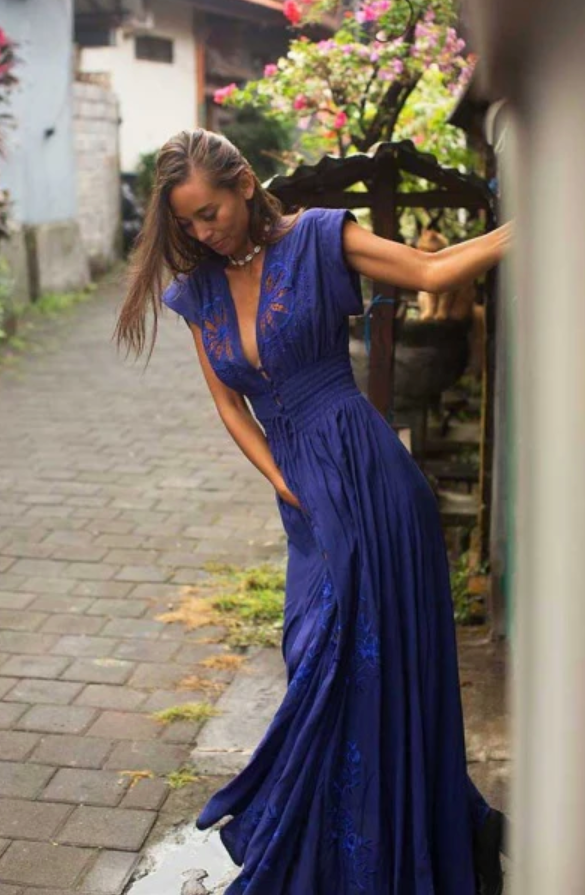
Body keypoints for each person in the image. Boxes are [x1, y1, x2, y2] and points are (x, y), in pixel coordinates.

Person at [115, 129, 511, 895]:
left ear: (243, 184)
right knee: (315, 656)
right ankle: (345, 842)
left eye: (210, 212)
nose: (203, 231)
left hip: (369, 477)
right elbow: (230, 407)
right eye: (187, 222)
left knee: (361, 659)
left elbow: (431, 268)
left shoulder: (321, 237)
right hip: (304, 491)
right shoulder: (197, 290)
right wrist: (285, 481)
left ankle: (379, 855)